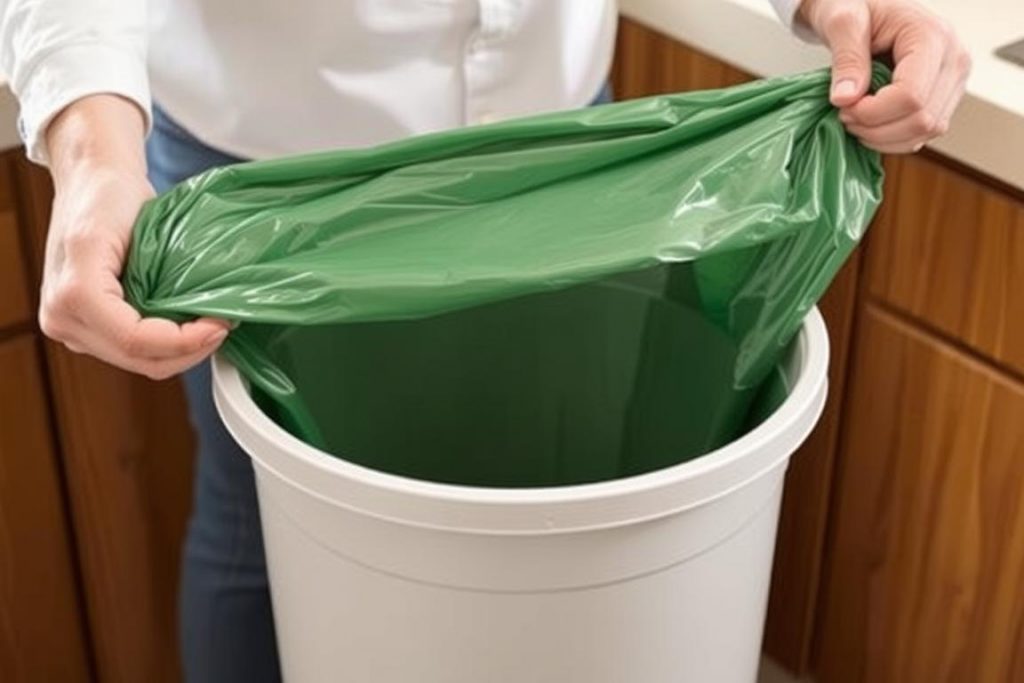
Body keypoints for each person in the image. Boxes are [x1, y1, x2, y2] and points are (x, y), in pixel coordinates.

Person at [0, 0, 969, 681]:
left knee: (561, 517)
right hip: (281, 186)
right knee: (263, 523)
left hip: (558, 156)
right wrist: (90, 153)